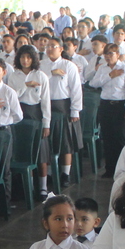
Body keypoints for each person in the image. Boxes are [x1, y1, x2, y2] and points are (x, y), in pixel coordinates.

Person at [39, 37, 83, 189]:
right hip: (45, 105)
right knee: (48, 141)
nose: (50, 48)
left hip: (63, 105)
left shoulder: (68, 65)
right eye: (48, 46)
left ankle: (66, 174)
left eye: (53, 46)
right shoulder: (41, 65)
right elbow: (39, 81)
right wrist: (51, 73)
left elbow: (76, 88)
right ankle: (50, 173)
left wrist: (75, 110)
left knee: (65, 142)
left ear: (61, 49)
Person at [9, 45, 52, 197]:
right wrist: (25, 85)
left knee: (40, 152)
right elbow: (12, 96)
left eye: (28, 57)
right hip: (19, 114)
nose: (25, 60)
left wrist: (46, 124)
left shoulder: (41, 76)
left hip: (35, 114)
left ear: (33, 59)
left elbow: (46, 102)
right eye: (22, 57)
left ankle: (43, 187)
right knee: (23, 152)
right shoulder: (14, 76)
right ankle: (27, 186)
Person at [91, 43, 125, 177]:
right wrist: (110, 75)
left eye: (111, 53)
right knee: (107, 137)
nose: (108, 56)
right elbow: (93, 83)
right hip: (105, 105)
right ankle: (110, 169)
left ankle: (124, 170)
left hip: (120, 105)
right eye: (106, 54)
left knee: (120, 137)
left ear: (117, 54)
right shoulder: (103, 69)